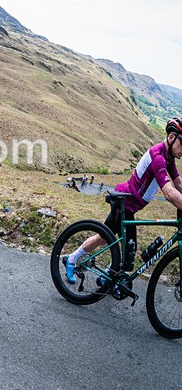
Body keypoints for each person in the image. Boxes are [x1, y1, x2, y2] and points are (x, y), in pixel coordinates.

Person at [63, 117, 182, 284]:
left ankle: (101, 273)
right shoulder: (159, 157)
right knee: (113, 244)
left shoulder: (168, 157)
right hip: (124, 204)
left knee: (115, 244)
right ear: (171, 137)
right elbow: (169, 193)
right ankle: (77, 262)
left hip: (129, 206)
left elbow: (178, 183)